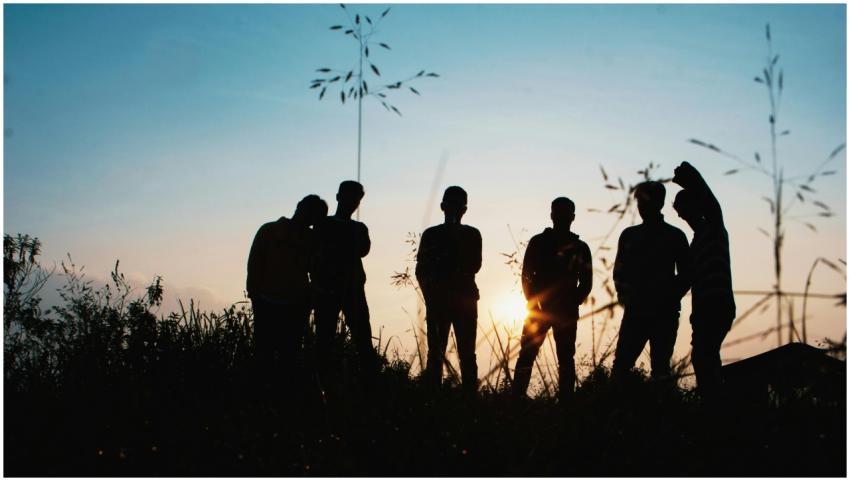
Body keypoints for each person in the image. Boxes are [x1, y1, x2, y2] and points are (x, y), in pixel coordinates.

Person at [512, 197, 592, 400]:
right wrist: (534, 302)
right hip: (539, 310)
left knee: (564, 358)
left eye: (565, 213)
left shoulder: (579, 247)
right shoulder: (539, 242)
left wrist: (572, 302)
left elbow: (586, 283)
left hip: (561, 311)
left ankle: (565, 401)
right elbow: (527, 276)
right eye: (559, 212)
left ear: (572, 217)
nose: (562, 217)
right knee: (528, 355)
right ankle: (516, 398)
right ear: (552, 215)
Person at [612, 181, 691, 380]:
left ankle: (658, 408)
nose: (641, 206)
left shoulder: (675, 236)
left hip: (663, 312)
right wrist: (625, 296)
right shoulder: (630, 235)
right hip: (637, 311)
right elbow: (619, 273)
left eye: (645, 201)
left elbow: (687, 275)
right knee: (622, 366)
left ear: (659, 203)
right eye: (639, 202)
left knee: (660, 369)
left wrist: (669, 297)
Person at [672, 161, 735, 402]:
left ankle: (715, 405)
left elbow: (711, 202)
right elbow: (686, 281)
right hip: (702, 310)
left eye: (684, 209)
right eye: (679, 211)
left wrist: (688, 176)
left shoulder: (715, 228)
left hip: (718, 304)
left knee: (704, 355)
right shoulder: (695, 244)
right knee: (705, 357)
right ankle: (714, 403)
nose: (681, 215)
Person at [246, 194, 328, 378]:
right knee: (263, 354)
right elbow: (255, 263)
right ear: (299, 206)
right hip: (266, 302)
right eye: (309, 210)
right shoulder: (269, 230)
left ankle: (283, 398)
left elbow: (317, 270)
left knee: (289, 356)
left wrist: (310, 298)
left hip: (296, 306)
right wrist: (255, 295)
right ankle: (261, 399)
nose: (309, 216)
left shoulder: (313, 239)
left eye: (315, 215)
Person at [416, 186, 482, 393]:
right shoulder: (431, 234)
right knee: (436, 353)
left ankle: (470, 399)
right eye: (452, 205)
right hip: (439, 301)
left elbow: (475, 265)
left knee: (467, 353)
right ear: (443, 207)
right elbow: (421, 269)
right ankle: (432, 398)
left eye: (459, 206)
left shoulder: (472, 234)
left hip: (465, 301)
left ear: (465, 209)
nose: (455, 209)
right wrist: (430, 296)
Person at [313, 180, 376, 379]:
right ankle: (323, 381)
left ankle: (369, 381)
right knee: (325, 339)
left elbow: (364, 250)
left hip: (353, 290)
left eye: (356, 200)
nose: (353, 203)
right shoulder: (323, 224)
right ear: (339, 197)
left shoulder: (359, 228)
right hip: (327, 289)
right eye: (350, 197)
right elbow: (314, 254)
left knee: (363, 339)